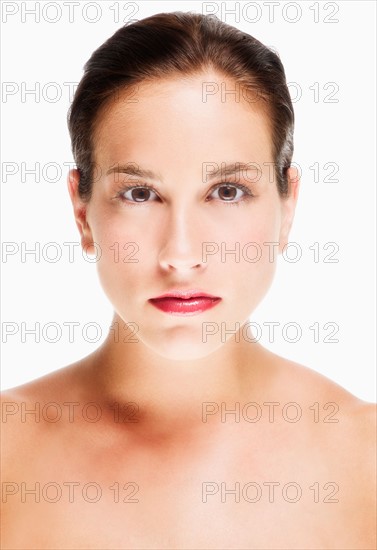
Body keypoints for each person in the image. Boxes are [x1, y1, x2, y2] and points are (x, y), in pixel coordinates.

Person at [1, 11, 375, 549]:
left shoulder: (365, 464)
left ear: (287, 207)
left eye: (226, 192)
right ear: (82, 213)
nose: (181, 255)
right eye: (139, 193)